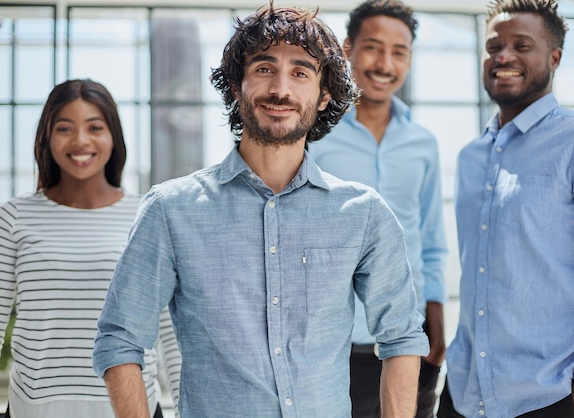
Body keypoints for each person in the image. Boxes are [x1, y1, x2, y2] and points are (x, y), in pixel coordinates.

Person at [92, 2, 431, 417]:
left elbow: (402, 337)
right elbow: (120, 338)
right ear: (237, 86)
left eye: (301, 72)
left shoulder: (363, 213)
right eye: (265, 68)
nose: (281, 90)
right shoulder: (170, 210)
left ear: (324, 96)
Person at [438, 1, 574, 417]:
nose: (503, 56)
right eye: (494, 46)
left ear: (554, 58)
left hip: (552, 399)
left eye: (522, 45)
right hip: (464, 395)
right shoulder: (471, 157)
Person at [0, 79, 181, 418]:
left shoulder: (149, 214)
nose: (80, 140)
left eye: (94, 127)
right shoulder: (13, 216)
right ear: (47, 137)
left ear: (113, 135)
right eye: (65, 128)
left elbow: (171, 332)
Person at [308, 1, 447, 417]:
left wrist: (435, 326)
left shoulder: (423, 143)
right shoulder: (313, 136)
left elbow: (431, 239)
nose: (385, 63)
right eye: (373, 47)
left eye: (399, 51)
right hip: (332, 339)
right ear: (348, 49)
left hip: (408, 335)